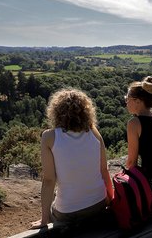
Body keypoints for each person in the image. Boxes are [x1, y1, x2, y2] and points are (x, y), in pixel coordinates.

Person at [31, 88, 114, 229]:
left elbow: (49, 180)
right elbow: (104, 170)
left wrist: (44, 220)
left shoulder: (49, 137)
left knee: (54, 206)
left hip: (69, 213)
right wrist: (111, 201)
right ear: (86, 112)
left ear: (56, 113)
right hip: (99, 204)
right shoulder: (94, 132)